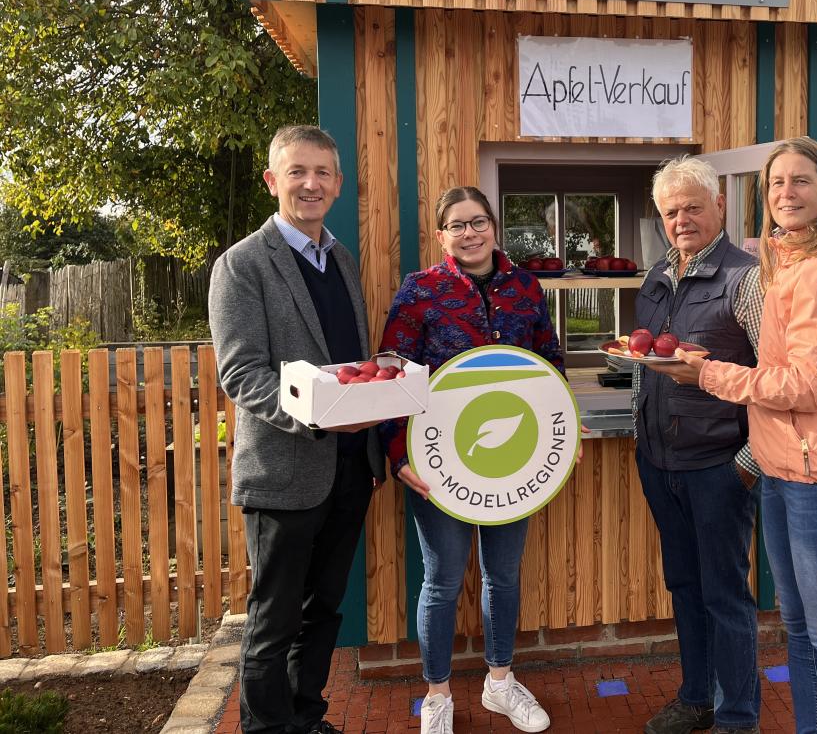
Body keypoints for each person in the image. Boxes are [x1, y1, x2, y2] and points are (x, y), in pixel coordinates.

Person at [674, 137, 817, 734]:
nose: (785, 193)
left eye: (801, 181)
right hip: (781, 469)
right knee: (799, 631)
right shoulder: (792, 262)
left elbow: (807, 386)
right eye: (776, 183)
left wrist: (708, 373)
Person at [209, 124, 387, 734]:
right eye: (297, 172)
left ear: (338, 185)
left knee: (323, 612)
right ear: (273, 180)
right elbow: (241, 374)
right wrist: (314, 416)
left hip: (349, 465)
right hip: (284, 471)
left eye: (322, 174)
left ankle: (306, 718)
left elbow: (350, 360)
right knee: (273, 620)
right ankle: (266, 728)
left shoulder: (340, 258)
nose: (310, 184)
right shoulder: (242, 265)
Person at [379, 186, 562, 734]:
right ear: (442, 236)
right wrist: (396, 454)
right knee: (442, 580)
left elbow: (549, 363)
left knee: (502, 577)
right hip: (438, 464)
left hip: (516, 459)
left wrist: (559, 447)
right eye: (457, 225)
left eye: (478, 222)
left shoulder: (526, 286)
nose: (470, 233)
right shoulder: (421, 290)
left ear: (494, 227)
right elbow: (391, 371)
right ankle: (437, 695)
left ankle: (500, 683)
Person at [634, 155, 765, 734]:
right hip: (660, 462)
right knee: (684, 587)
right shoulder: (657, 276)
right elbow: (648, 364)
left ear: (720, 206)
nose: (681, 219)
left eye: (692, 206)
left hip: (719, 465)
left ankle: (738, 718)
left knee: (726, 597)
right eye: (670, 211)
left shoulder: (746, 278)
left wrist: (749, 463)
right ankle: (696, 699)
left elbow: (776, 375)